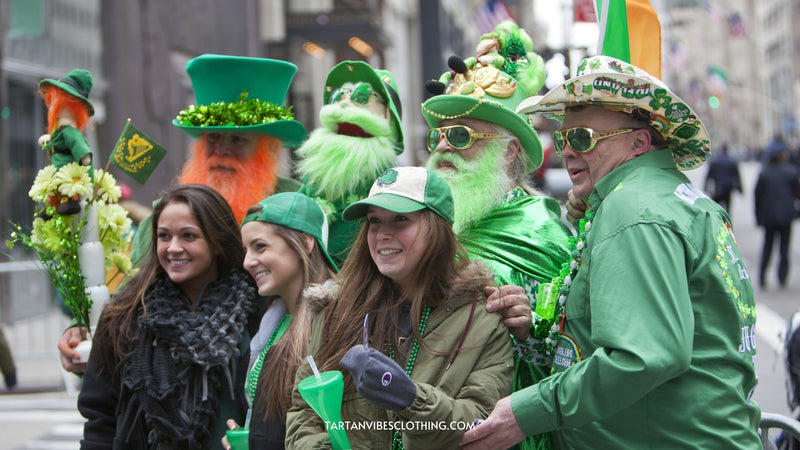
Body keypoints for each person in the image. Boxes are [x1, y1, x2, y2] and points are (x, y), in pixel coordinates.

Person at [461, 55, 760, 449]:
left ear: (639, 143)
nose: (566, 151)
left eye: (582, 138)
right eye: (563, 138)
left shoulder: (633, 210)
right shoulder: (673, 199)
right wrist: (534, 330)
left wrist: (526, 411)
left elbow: (643, 356)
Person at [59, 54, 307, 374]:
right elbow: (133, 298)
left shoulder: (295, 208)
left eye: (238, 139)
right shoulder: (164, 219)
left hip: (272, 373)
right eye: (212, 138)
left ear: (268, 149)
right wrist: (89, 333)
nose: (221, 150)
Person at [421, 20, 572, 449]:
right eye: (439, 134)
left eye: (462, 134)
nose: (442, 147)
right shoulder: (423, 221)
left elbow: (572, 356)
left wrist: (531, 331)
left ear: (509, 151)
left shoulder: (542, 232)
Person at [286, 166, 513, 449]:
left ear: (438, 228)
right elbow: (304, 412)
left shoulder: (483, 317)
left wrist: (410, 398)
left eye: (401, 220)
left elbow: (482, 422)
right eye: (375, 221)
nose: (382, 234)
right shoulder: (337, 311)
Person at [77, 184, 258, 449]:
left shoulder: (257, 309)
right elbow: (100, 416)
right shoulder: (124, 316)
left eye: (188, 236)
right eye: (164, 236)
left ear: (218, 241)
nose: (173, 248)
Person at [222, 192, 338, 449]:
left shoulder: (336, 319)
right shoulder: (272, 323)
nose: (247, 262)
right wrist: (250, 435)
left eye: (260, 246)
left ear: (306, 243)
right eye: (246, 250)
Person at [295, 60, 403, 265]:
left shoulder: (391, 183)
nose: (343, 104)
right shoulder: (313, 181)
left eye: (361, 97)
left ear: (389, 116)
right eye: (336, 97)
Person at [37, 69, 96, 217]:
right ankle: (51, 208)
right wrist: (48, 141)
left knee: (66, 184)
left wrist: (84, 157)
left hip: (67, 168)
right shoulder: (60, 130)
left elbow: (78, 145)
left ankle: (70, 200)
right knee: (55, 187)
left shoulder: (70, 131)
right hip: (57, 167)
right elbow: (56, 145)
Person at [755, 143, 800, 289]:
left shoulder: (764, 173)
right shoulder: (791, 172)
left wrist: (758, 217)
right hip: (786, 216)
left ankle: (762, 276)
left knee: (767, 247)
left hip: (768, 217)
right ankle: (782, 278)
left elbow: (757, 197)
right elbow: (798, 194)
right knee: (784, 248)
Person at [704, 142, 742, 213]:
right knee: (728, 208)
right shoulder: (732, 161)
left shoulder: (715, 161)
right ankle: (726, 222)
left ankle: (717, 222)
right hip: (728, 188)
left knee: (715, 208)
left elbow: (709, 175)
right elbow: (737, 176)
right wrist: (740, 189)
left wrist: (705, 186)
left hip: (718, 188)